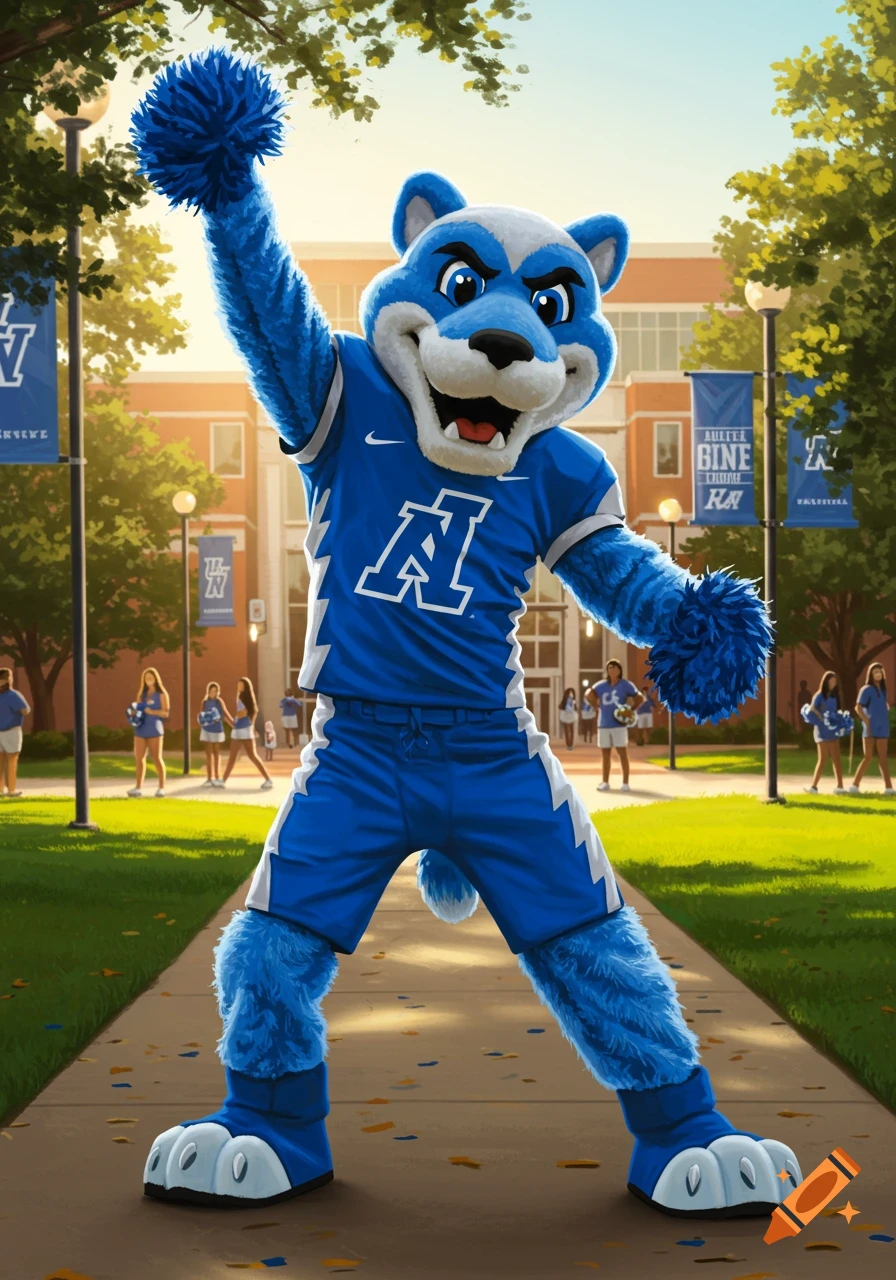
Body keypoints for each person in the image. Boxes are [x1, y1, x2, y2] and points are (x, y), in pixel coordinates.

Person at [587, 660, 643, 792]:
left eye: (614, 667)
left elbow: (640, 697)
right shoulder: (601, 685)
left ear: (619, 670)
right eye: (609, 667)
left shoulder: (626, 685)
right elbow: (588, 693)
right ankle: (605, 782)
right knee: (605, 754)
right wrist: (594, 704)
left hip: (619, 724)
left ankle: (625, 783)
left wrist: (631, 709)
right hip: (604, 723)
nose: (611, 670)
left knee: (622, 753)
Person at [221, 676, 274, 790]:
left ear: (246, 687)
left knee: (246, 756)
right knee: (242, 756)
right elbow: (248, 715)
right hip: (244, 730)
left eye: (241, 685)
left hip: (242, 730)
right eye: (238, 684)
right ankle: (223, 780)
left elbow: (243, 713)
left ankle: (268, 779)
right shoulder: (246, 699)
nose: (238, 686)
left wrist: (233, 719)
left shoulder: (243, 698)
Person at [850, 662, 894, 795]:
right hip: (870, 728)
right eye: (875, 672)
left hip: (883, 727)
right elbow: (858, 707)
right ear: (871, 674)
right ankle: (854, 786)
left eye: (880, 671)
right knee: (868, 757)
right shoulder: (866, 689)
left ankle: (889, 788)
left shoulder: (883, 689)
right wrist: (867, 721)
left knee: (883, 759)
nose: (878, 674)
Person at [803, 671, 848, 795]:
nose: (833, 684)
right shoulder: (819, 695)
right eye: (830, 681)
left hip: (833, 730)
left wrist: (841, 721)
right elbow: (812, 708)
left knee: (836, 758)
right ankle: (814, 787)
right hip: (821, 730)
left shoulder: (835, 696)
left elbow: (838, 710)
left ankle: (840, 786)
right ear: (825, 682)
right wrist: (821, 717)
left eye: (834, 681)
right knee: (823, 758)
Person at [129, 667, 169, 798]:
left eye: (151, 677)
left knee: (157, 758)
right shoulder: (142, 694)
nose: (149, 680)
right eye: (146, 678)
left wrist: (152, 712)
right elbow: (138, 709)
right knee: (139, 758)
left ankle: (161, 788)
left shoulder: (162, 694)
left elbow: (166, 712)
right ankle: (138, 788)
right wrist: (133, 713)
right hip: (140, 728)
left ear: (156, 679)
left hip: (155, 729)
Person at [0, 667, 30, 798]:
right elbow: (25, 710)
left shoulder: (12, 695)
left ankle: (5, 790)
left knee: (6, 761)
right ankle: (7, 790)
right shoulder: (13, 695)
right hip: (9, 731)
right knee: (8, 760)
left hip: (6, 731)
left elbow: (25, 710)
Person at [199, 681, 233, 789]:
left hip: (217, 730)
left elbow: (225, 714)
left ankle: (217, 777)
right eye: (211, 691)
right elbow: (201, 716)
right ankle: (209, 779)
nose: (213, 693)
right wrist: (205, 721)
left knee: (216, 754)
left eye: (215, 691)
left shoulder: (219, 701)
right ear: (208, 692)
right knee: (208, 755)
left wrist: (234, 724)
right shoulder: (204, 702)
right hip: (206, 730)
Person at [558, 687, 578, 751]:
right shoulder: (564, 700)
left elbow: (575, 708)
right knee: (567, 731)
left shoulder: (573, 700)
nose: (570, 694)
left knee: (571, 731)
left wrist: (574, 704)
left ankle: (571, 745)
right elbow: (560, 706)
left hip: (571, 715)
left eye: (571, 693)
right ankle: (568, 745)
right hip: (565, 715)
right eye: (569, 693)